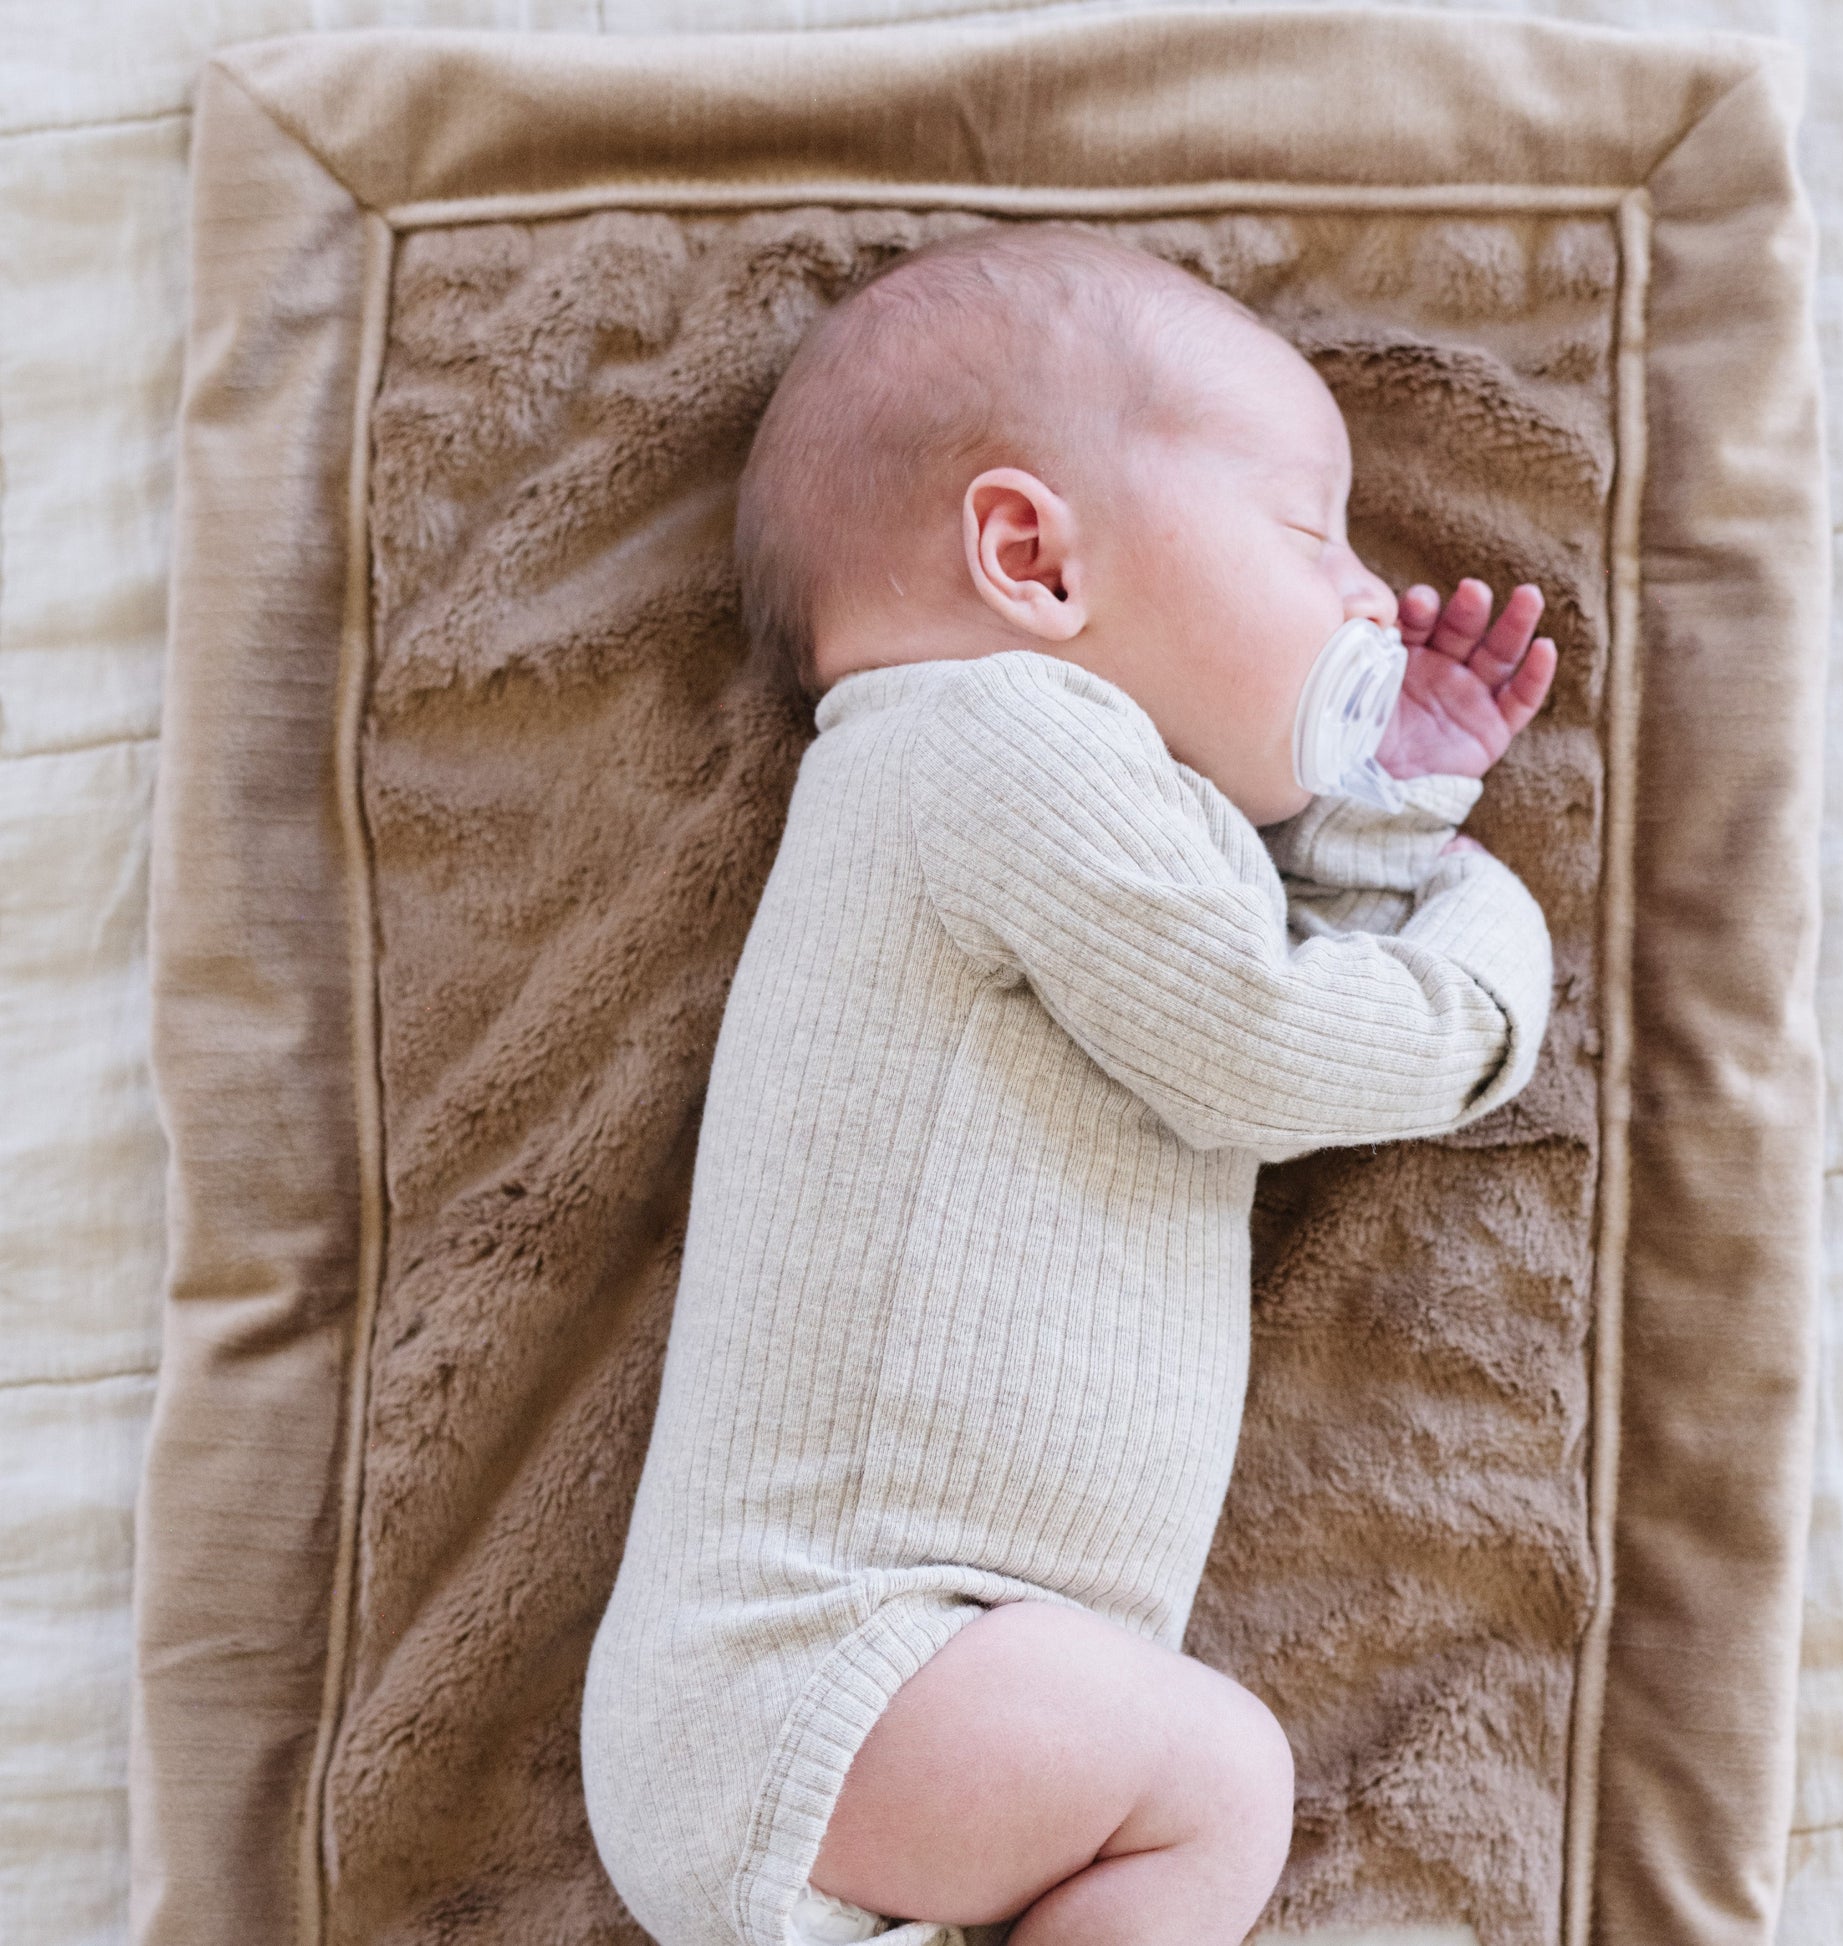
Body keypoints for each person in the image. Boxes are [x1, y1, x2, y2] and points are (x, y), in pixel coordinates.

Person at [581, 222, 1556, 1946]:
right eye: (1306, 531)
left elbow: (1221, 961)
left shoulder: (1039, 787)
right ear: (1030, 556)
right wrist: (1481, 970)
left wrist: (1373, 823)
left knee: (1189, 1781)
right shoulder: (994, 735)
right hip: (840, 1655)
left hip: (897, 1690)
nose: (1361, 593)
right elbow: (1256, 1040)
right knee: (1217, 1782)